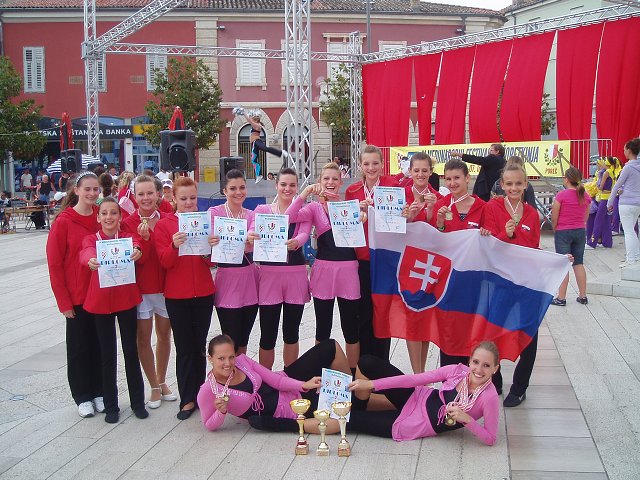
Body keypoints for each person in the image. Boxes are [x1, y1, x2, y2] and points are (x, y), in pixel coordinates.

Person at [342, 341, 500, 444]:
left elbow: (490, 438)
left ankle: (339, 412)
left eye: (486, 365)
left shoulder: (489, 397)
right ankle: (358, 404)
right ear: (470, 361)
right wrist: (372, 384)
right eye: (476, 362)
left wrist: (467, 419)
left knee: (350, 419)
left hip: (417, 423)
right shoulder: (458, 371)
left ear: (495, 368)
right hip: (416, 396)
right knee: (367, 362)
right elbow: (415, 379)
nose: (479, 370)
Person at [287, 162, 362, 370]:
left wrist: (362, 215)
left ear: (341, 182)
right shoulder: (313, 208)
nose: (330, 182)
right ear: (319, 181)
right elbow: (289, 217)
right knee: (323, 327)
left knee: (351, 328)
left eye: (334, 179)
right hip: (324, 271)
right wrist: (305, 193)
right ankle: (322, 372)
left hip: (348, 271)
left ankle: (353, 374)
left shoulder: (350, 206)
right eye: (326, 178)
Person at [80, 197, 148, 423]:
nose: (109, 217)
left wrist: (137, 250)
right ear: (98, 217)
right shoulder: (92, 239)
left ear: (120, 217)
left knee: (131, 351)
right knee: (107, 354)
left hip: (126, 300)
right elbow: (85, 252)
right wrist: (89, 260)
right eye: (104, 213)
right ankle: (111, 406)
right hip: (101, 303)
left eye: (113, 213)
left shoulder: (127, 238)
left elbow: (137, 244)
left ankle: (138, 403)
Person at [481, 163, 543, 407]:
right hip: (500, 282)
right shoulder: (492, 207)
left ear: (525, 184)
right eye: (509, 184)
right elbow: (488, 246)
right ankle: (494, 381)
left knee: (529, 334)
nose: (514, 188)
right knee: (492, 333)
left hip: (526, 283)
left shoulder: (532, 214)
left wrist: (558, 261)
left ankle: (519, 388)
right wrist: (503, 235)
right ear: (502, 185)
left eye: (518, 183)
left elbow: (534, 248)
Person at [198, 334, 351, 432]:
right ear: (210, 358)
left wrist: (303, 385)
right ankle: (356, 396)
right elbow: (209, 424)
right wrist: (221, 412)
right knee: (346, 410)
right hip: (286, 410)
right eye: (221, 358)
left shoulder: (241, 361)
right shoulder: (208, 390)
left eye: (231, 357)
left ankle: (352, 387)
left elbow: (275, 380)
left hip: (286, 383)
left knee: (330, 346)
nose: (228, 363)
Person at [154, 176, 216, 420]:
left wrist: (210, 249)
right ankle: (187, 398)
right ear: (173, 199)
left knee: (199, 346)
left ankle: (200, 393)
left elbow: (211, 262)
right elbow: (164, 262)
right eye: (183, 198)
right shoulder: (165, 225)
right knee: (184, 347)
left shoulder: (205, 221)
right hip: (177, 295)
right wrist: (173, 245)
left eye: (192, 198)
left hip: (203, 292)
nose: (189, 203)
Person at [46, 171, 103, 418]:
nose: (92, 193)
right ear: (76, 190)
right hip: (77, 297)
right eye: (87, 189)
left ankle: (100, 390)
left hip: (101, 294)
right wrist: (64, 302)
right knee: (79, 347)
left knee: (100, 345)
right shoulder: (64, 222)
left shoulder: (101, 216)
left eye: (95, 189)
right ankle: (82, 395)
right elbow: (55, 264)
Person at [345, 145, 410, 360]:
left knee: (383, 310)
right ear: (360, 166)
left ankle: (381, 361)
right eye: (366, 164)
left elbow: (405, 216)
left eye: (375, 163)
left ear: (382, 164)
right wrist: (356, 211)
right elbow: (346, 225)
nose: (371, 168)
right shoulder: (353, 190)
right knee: (363, 311)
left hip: (385, 258)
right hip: (362, 258)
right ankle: (364, 361)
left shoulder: (393, 186)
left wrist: (405, 212)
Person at [122, 174, 177, 409]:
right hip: (142, 289)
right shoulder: (127, 222)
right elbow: (138, 260)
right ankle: (153, 385)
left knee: (164, 336)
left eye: (150, 193)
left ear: (158, 194)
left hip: (165, 287)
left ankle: (162, 380)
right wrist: (143, 241)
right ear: (134, 196)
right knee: (143, 339)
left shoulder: (167, 218)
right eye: (141, 194)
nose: (146, 198)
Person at [252, 168, 312, 368]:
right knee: (268, 334)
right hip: (269, 277)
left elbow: (304, 233)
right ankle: (266, 378)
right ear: (276, 185)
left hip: (295, 276)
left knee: (291, 333)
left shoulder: (303, 210)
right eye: (283, 184)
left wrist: (297, 241)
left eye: (292, 185)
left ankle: (290, 377)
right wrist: (251, 235)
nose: (288, 188)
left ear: (297, 187)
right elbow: (252, 228)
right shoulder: (262, 210)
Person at [430, 159, 486, 369]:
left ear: (467, 178)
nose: (452, 183)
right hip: (449, 280)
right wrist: (440, 224)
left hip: (473, 281)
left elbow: (491, 244)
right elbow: (436, 242)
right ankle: (450, 376)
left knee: (472, 329)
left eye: (457, 178)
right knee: (449, 330)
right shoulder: (442, 205)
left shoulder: (482, 207)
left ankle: (472, 375)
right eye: (448, 179)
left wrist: (487, 234)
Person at [207, 169, 259, 356]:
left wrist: (250, 237)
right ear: (224, 191)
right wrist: (210, 240)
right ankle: (228, 372)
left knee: (244, 340)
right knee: (230, 339)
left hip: (249, 279)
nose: (238, 192)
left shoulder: (252, 215)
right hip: (227, 279)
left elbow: (253, 232)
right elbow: (209, 238)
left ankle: (242, 371)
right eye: (233, 188)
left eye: (242, 187)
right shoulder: (214, 213)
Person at [401, 153, 442, 373]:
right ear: (410, 171)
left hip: (428, 265)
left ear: (431, 172)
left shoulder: (438, 197)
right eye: (416, 170)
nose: (420, 174)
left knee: (424, 318)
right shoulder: (401, 194)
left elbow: (440, 232)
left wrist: (431, 210)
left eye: (425, 170)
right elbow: (392, 228)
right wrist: (407, 217)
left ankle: (421, 373)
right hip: (406, 263)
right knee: (411, 318)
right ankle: (417, 374)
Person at [551, 167, 591, 306]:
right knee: (578, 263)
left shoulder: (561, 195)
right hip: (580, 231)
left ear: (567, 179)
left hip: (563, 231)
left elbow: (554, 216)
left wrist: (555, 229)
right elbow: (586, 216)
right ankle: (583, 296)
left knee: (564, 264)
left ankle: (561, 298)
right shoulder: (585, 195)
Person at [608, 138, 640, 268]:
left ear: (629, 150)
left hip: (626, 203)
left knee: (628, 232)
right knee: (631, 231)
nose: (624, 151)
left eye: (625, 149)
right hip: (637, 203)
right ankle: (635, 256)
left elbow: (616, 185)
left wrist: (609, 202)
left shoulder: (628, 167)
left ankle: (631, 259)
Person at [245, 112, 290, 183]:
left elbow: (249, 120)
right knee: (254, 160)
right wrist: (250, 115)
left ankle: (281, 152)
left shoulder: (257, 125)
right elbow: (250, 121)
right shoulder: (256, 125)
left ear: (255, 121)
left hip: (256, 142)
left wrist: (244, 114)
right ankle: (259, 175)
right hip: (255, 143)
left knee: (262, 152)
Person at [587, 156, 618, 249]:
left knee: (598, 221)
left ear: (606, 163)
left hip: (604, 199)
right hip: (609, 198)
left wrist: (595, 185)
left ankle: (592, 243)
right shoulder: (612, 171)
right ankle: (607, 242)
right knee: (606, 221)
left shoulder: (606, 173)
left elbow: (600, 186)